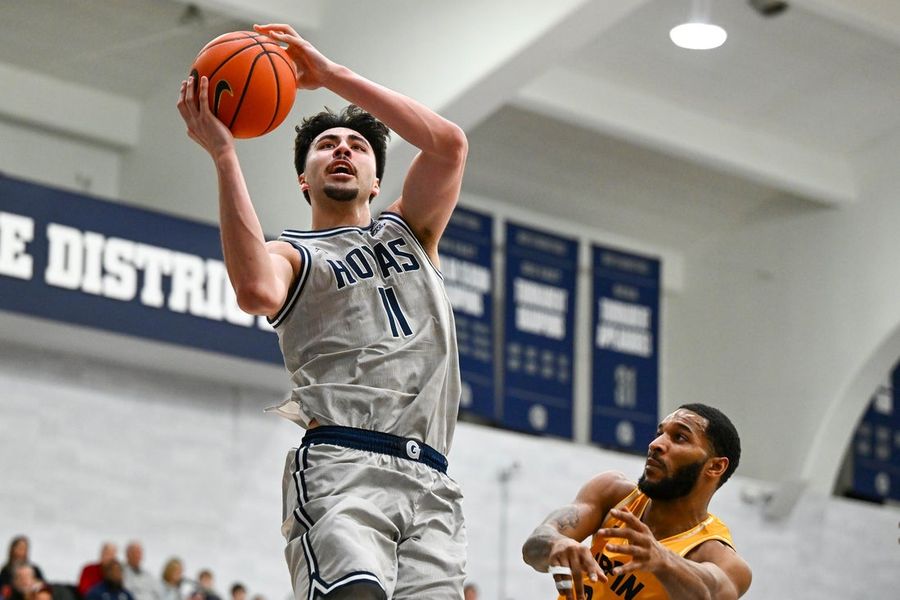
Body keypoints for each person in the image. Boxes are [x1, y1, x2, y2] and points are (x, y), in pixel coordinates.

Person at [177, 21, 468, 600]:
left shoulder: (413, 231)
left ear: (376, 179)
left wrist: (333, 75)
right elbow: (256, 291)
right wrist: (223, 153)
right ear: (303, 180)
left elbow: (448, 144)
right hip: (345, 465)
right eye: (325, 145)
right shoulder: (293, 254)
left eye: (357, 147)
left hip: (433, 479)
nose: (342, 150)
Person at [522, 403, 752, 600]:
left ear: (715, 466)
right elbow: (533, 547)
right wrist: (556, 544)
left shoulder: (721, 559)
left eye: (679, 437)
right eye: (659, 433)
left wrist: (664, 560)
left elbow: (709, 593)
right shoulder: (612, 493)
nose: (656, 444)